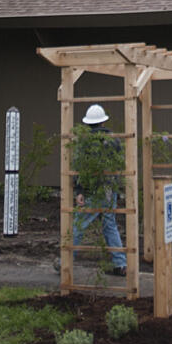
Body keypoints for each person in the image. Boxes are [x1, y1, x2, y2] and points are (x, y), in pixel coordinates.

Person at [65, 104, 127, 275]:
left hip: (91, 188)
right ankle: (120, 263)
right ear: (103, 122)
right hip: (108, 187)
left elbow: (79, 167)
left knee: (79, 222)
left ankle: (66, 260)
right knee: (109, 224)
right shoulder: (114, 139)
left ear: (87, 123)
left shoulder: (84, 141)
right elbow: (119, 164)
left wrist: (79, 191)